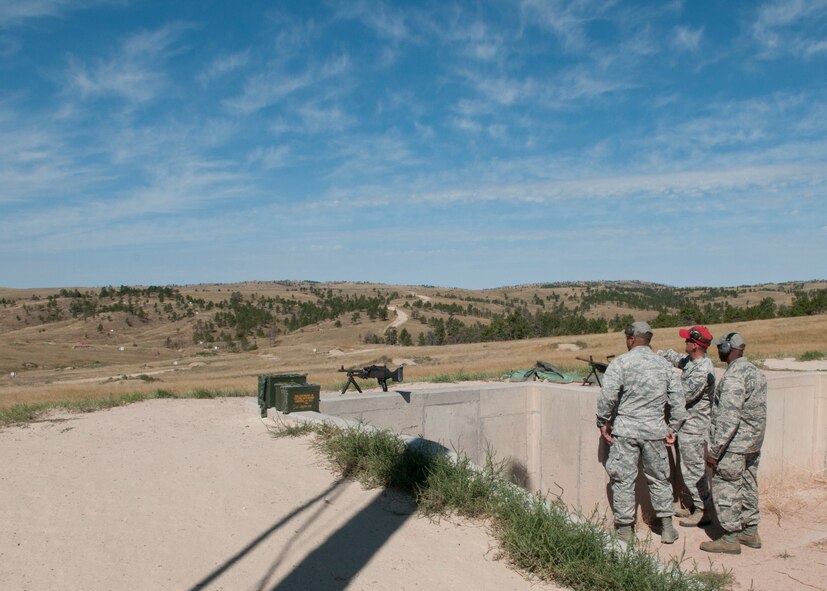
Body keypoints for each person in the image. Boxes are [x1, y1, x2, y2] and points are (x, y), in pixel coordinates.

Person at [596, 321, 687, 544]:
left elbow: (607, 397)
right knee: (659, 479)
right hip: (655, 431)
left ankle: (625, 531)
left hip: (626, 431)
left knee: (623, 481)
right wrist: (673, 427)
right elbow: (678, 401)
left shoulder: (620, 363)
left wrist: (603, 421)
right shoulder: (663, 365)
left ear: (631, 339)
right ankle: (666, 528)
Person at [700, 332, 767, 554]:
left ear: (729, 348)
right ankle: (749, 531)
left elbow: (729, 417)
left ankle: (729, 539)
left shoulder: (734, 377)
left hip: (733, 446)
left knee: (726, 487)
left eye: (721, 347)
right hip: (752, 444)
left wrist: (715, 451)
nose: (718, 350)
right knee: (748, 484)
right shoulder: (755, 372)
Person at [657, 325, 716, 526]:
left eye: (688, 341)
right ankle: (695, 506)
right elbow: (676, 359)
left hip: (694, 428)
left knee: (693, 470)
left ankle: (703, 510)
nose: (685, 343)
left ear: (695, 345)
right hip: (687, 427)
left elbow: (681, 396)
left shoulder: (701, 371)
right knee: (688, 468)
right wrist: (654, 354)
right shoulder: (692, 362)